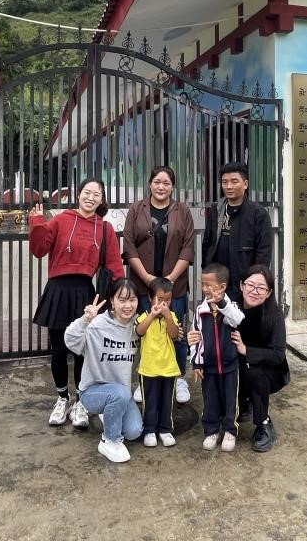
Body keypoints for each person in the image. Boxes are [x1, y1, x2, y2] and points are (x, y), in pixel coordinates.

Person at [29, 177, 124, 428]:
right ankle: (62, 398)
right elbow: (39, 249)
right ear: (78, 194)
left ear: (102, 200)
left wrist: (120, 298)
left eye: (96, 194)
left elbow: (114, 266)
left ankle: (82, 401)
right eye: (87, 192)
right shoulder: (61, 220)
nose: (90, 198)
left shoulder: (104, 228)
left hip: (85, 294)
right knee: (59, 350)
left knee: (83, 352)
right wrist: (36, 222)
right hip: (58, 291)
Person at [123, 165, 195, 403]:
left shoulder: (182, 211)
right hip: (143, 285)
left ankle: (179, 377)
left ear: (172, 186)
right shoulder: (137, 209)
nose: (161, 187)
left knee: (177, 331)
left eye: (166, 183)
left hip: (175, 287)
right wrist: (148, 278)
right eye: (157, 182)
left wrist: (170, 280)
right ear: (150, 184)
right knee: (145, 329)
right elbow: (129, 246)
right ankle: (144, 377)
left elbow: (187, 248)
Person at [64, 278, 142, 463]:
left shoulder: (138, 325)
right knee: (119, 394)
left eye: (132, 300)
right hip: (92, 391)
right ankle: (109, 440)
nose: (128, 306)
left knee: (134, 432)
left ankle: (109, 412)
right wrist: (85, 320)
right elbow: (70, 340)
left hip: (121, 392)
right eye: (122, 300)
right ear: (112, 301)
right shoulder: (98, 324)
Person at [231, 264, 290, 453]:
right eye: (250, 285)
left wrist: (246, 350)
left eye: (261, 288)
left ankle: (263, 423)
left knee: (253, 371)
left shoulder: (274, 315)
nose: (254, 291)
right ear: (242, 285)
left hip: (270, 371)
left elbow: (278, 355)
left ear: (269, 292)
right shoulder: (231, 308)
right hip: (239, 365)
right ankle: (242, 404)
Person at [187, 262, 244, 452]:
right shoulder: (200, 310)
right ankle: (211, 430)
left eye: (208, 285)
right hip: (208, 366)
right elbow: (196, 338)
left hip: (230, 365)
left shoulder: (230, 306)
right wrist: (197, 363)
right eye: (203, 284)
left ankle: (229, 430)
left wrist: (221, 304)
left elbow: (237, 319)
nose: (205, 289)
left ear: (222, 287)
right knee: (210, 399)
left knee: (230, 399)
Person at [201, 161, 273, 299]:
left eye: (234, 182)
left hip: (243, 284)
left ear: (245, 184)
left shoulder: (258, 213)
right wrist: (207, 270)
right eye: (225, 182)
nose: (229, 186)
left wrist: (254, 283)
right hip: (217, 282)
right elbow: (207, 243)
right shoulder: (216, 210)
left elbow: (263, 252)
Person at [133, 277, 180, 448]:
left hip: (169, 367)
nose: (164, 304)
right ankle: (150, 430)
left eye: (168, 300)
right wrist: (152, 315)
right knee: (150, 401)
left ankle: (165, 429)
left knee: (167, 401)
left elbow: (174, 334)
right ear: (150, 298)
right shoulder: (144, 316)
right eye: (160, 299)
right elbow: (139, 331)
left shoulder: (172, 316)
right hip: (148, 368)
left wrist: (168, 316)